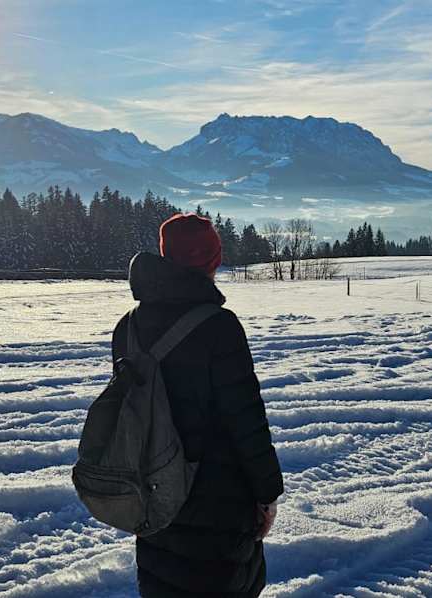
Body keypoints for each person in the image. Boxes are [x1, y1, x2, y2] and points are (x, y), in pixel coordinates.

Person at [113, 213, 283, 597]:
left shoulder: (129, 327)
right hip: (220, 504)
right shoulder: (219, 327)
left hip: (156, 497)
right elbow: (247, 422)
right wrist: (267, 493)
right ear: (211, 261)